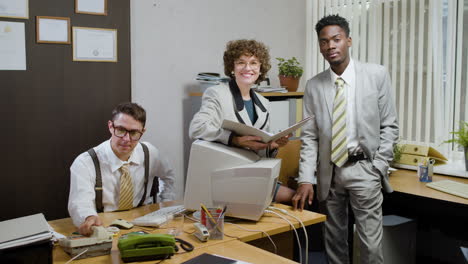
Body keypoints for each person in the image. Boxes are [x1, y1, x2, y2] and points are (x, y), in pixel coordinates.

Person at [293, 15, 398, 263]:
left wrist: (378, 166)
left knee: (370, 246)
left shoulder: (376, 75)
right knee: (334, 245)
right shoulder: (313, 86)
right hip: (329, 172)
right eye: (324, 41)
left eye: (336, 39)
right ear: (320, 46)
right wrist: (306, 178)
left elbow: (389, 126)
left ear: (348, 40)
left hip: (364, 169)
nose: (330, 46)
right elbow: (309, 138)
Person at [189, 39, 295, 203]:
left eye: (253, 63)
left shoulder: (264, 104)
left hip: (253, 172)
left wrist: (272, 145)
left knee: (298, 198)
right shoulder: (216, 94)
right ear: (232, 67)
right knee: (292, 199)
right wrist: (235, 140)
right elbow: (197, 128)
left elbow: (257, 149)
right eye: (241, 63)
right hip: (226, 174)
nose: (247, 68)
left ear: (260, 69)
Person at [68, 102, 175, 235]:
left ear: (143, 132)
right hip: (103, 225)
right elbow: (80, 201)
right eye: (121, 130)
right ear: (110, 127)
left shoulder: (150, 153)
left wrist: (165, 205)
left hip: (144, 223)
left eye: (134, 133)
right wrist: (88, 217)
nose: (126, 139)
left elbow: (169, 176)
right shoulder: (85, 162)